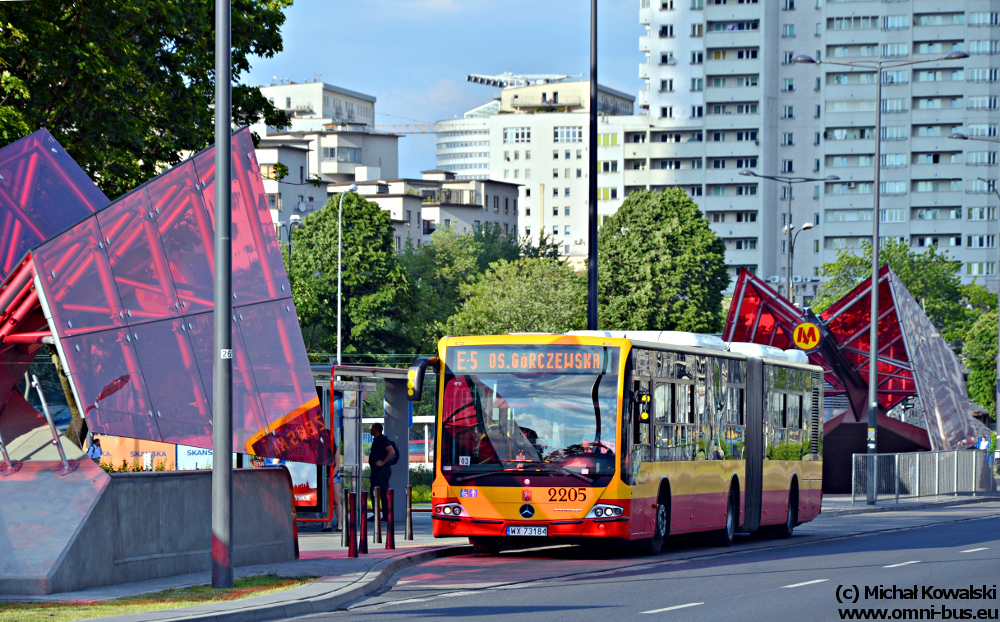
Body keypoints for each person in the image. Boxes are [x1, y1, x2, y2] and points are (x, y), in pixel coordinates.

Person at [367, 423, 394, 522]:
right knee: (374, 492)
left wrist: (383, 462)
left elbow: (392, 452)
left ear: (377, 429)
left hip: (381, 471)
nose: (370, 430)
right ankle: (377, 514)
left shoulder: (382, 439)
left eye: (372, 428)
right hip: (376, 471)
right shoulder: (377, 440)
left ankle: (386, 515)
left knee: (382, 492)